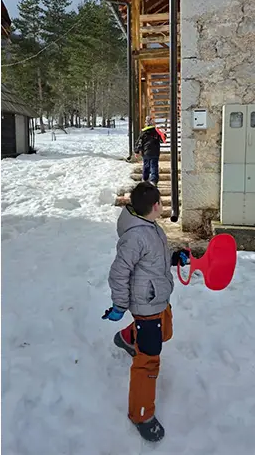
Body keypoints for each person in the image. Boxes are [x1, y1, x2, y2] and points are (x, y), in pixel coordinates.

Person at [103, 181, 189, 443]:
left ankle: (128, 338)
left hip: (158, 299)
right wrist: (119, 305)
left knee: (167, 333)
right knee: (149, 360)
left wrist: (175, 257)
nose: (162, 206)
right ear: (155, 206)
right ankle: (141, 414)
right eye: (161, 203)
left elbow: (154, 257)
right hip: (146, 304)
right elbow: (118, 273)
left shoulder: (150, 227)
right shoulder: (135, 236)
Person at [133, 117, 165, 184]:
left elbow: (139, 142)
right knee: (154, 166)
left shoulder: (143, 133)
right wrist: (164, 134)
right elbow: (162, 140)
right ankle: (153, 180)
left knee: (146, 166)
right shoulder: (156, 132)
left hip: (146, 152)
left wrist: (137, 151)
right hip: (155, 152)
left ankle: (145, 179)